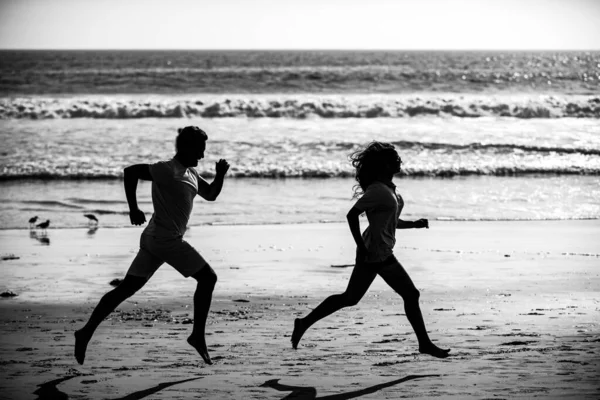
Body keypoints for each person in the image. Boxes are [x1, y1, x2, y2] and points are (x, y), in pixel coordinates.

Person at [74, 126, 229, 365]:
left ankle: (85, 332)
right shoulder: (167, 169)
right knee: (208, 278)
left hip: (155, 239)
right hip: (165, 240)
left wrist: (220, 174)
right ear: (186, 148)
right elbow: (130, 172)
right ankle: (197, 336)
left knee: (126, 288)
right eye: (199, 150)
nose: (202, 156)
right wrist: (133, 208)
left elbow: (210, 195)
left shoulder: (191, 173)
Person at [291, 141, 449, 359]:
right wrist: (359, 246)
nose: (398, 161)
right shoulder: (378, 191)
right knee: (410, 294)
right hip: (375, 252)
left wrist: (414, 224)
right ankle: (424, 344)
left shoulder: (388, 190)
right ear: (383, 165)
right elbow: (351, 215)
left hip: (377, 250)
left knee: (350, 298)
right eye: (393, 159)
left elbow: (389, 221)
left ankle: (304, 322)